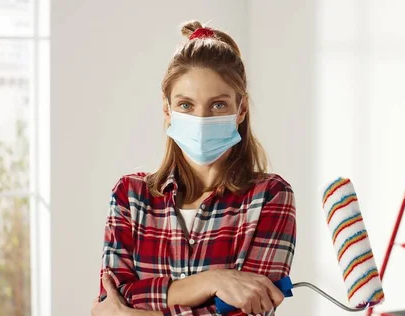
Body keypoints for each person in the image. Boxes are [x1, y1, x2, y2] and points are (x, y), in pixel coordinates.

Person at [91, 20, 297, 316]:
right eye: (186, 105)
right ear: (167, 110)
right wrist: (213, 281)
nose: (201, 119)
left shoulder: (270, 197)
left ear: (241, 109)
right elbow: (113, 295)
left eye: (218, 105)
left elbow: (249, 311)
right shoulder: (129, 196)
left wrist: (135, 311)